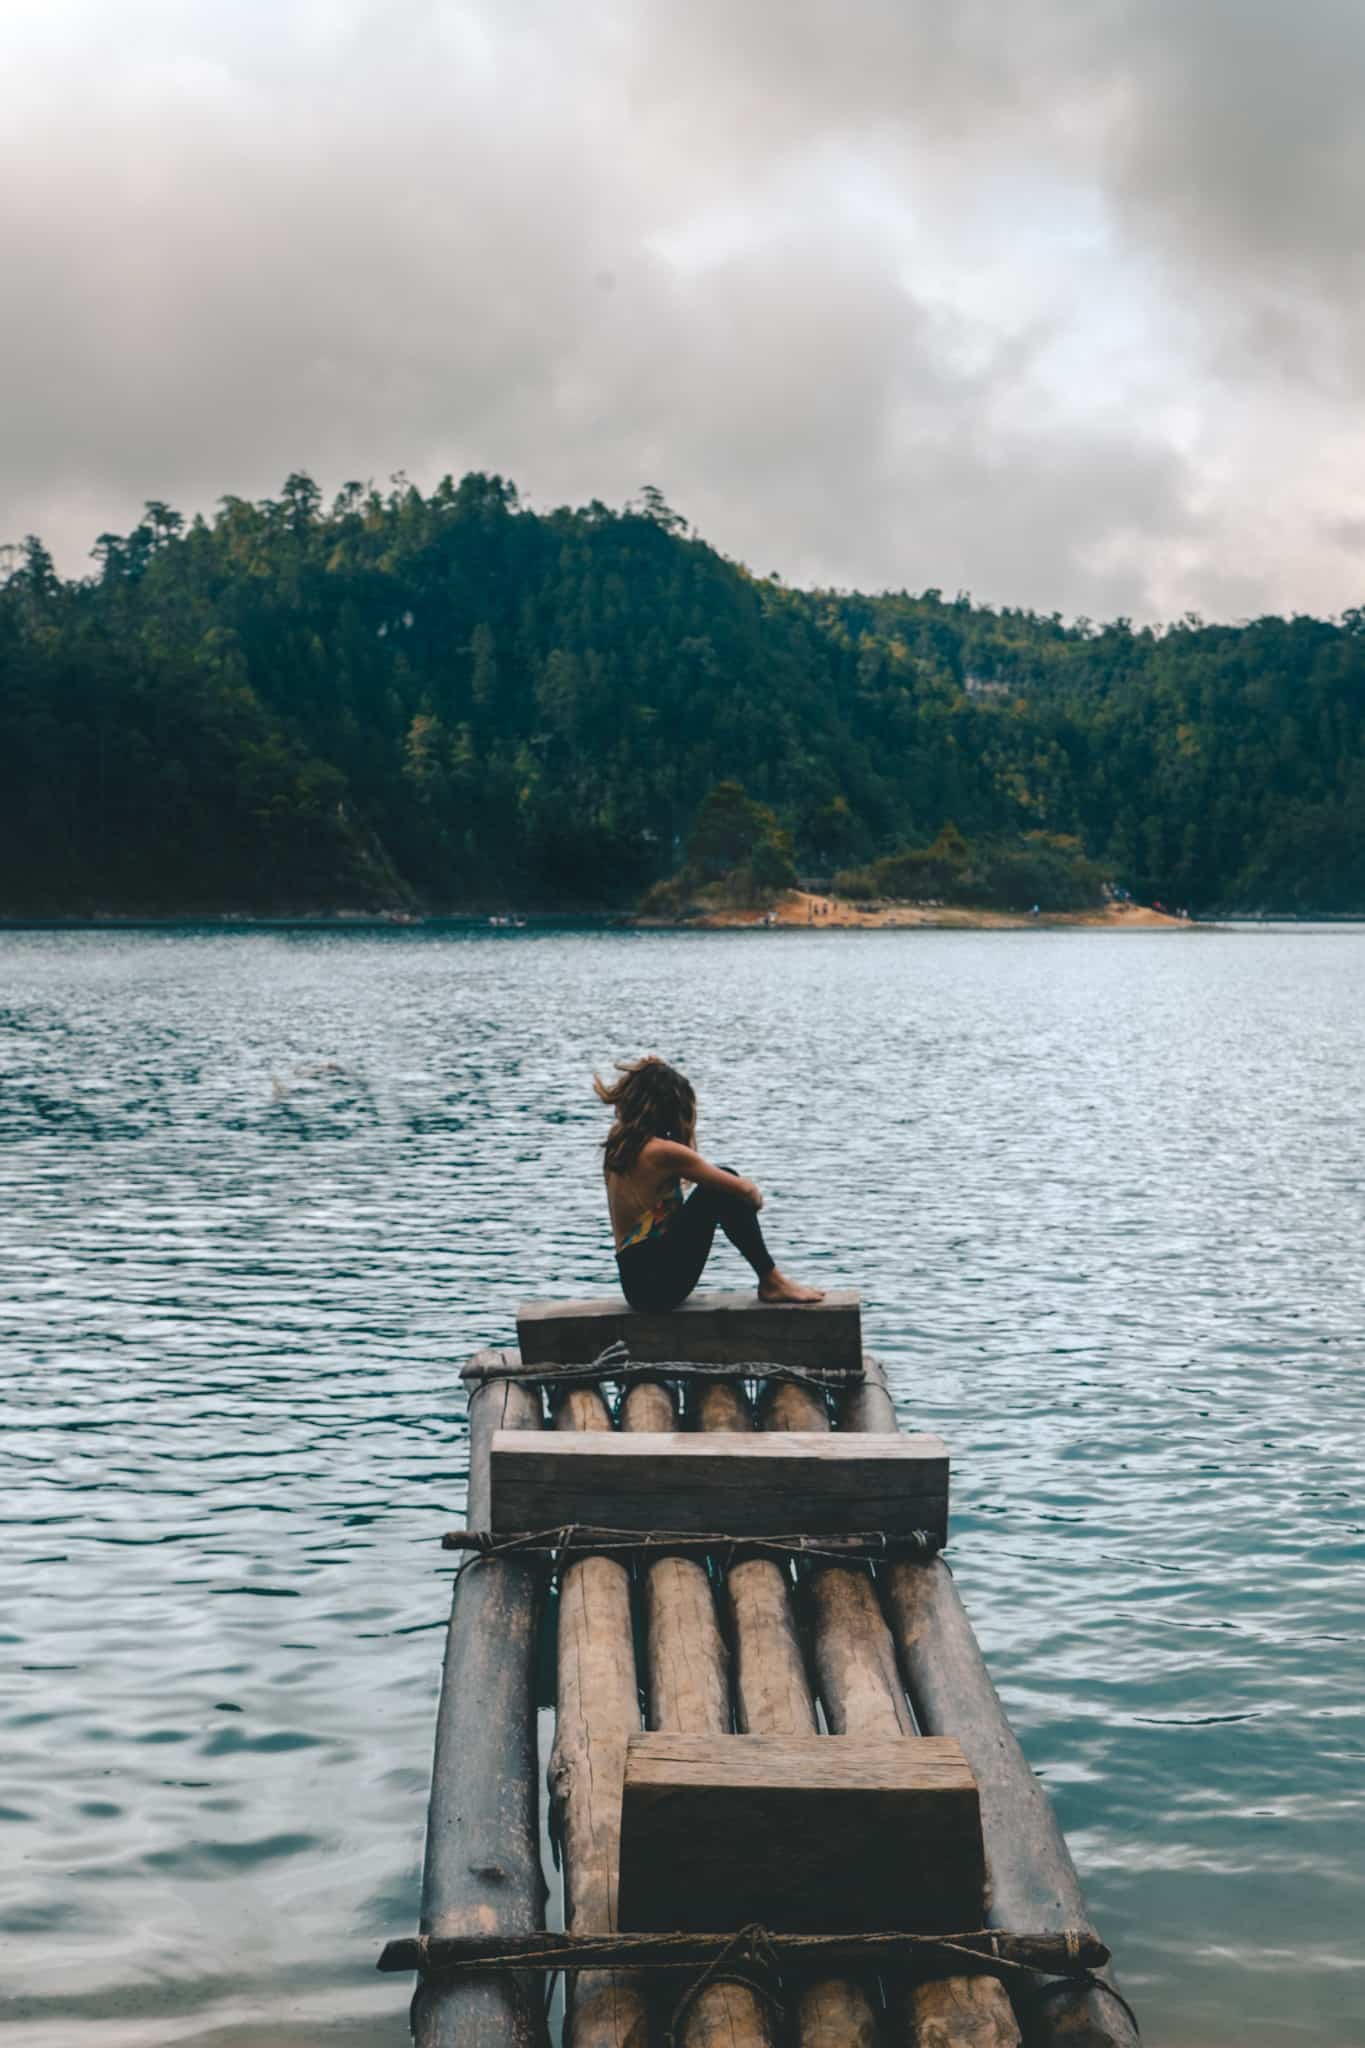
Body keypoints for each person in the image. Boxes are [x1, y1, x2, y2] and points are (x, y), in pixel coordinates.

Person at [594, 1055, 824, 1313]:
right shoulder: (661, 1153)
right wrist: (754, 1199)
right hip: (658, 1287)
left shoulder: (619, 1147)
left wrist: (653, 1070)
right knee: (722, 1185)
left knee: (719, 1187)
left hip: (637, 1286)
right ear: (672, 1108)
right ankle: (772, 1280)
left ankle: (773, 1281)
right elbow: (743, 1189)